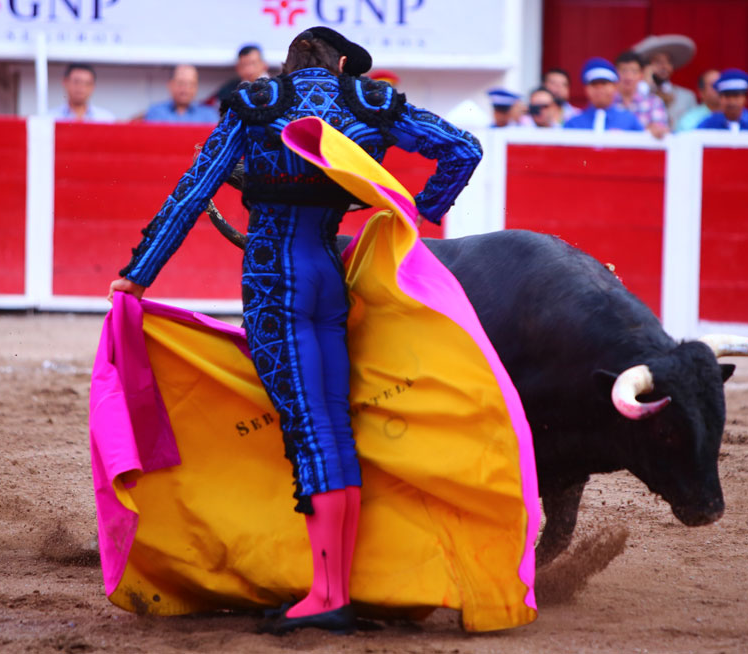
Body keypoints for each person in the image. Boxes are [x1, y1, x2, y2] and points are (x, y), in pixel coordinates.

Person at [108, 26, 482, 634]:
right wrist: (416, 211)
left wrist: (137, 276)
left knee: (310, 429)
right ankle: (332, 587)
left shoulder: (257, 105)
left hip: (273, 281)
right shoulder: (367, 103)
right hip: (329, 278)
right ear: (338, 63)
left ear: (289, 64)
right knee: (332, 425)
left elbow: (192, 193)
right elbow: (463, 149)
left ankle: (327, 597)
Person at [631, 34, 697, 128]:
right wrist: (645, 84)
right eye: (658, 62)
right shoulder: (634, 94)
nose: (664, 67)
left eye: (668, 62)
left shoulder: (686, 97)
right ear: (646, 67)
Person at [564, 58, 643, 132]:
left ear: (615, 87)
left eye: (604, 83)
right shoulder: (574, 124)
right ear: (586, 89)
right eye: (594, 84)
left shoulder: (629, 120)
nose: (600, 88)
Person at [613, 51, 669, 138]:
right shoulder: (608, 102)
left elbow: (660, 131)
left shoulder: (654, 102)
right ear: (615, 73)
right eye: (624, 71)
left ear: (641, 75)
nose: (628, 76)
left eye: (634, 71)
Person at [144, 64, 219, 123]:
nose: (185, 89)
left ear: (196, 87)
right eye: (181, 83)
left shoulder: (209, 115)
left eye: (191, 84)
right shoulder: (156, 113)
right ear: (170, 85)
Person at [50, 63, 115, 122]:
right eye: (76, 82)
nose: (81, 87)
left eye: (87, 83)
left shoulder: (106, 119)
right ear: (65, 82)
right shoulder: (50, 119)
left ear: (93, 87)